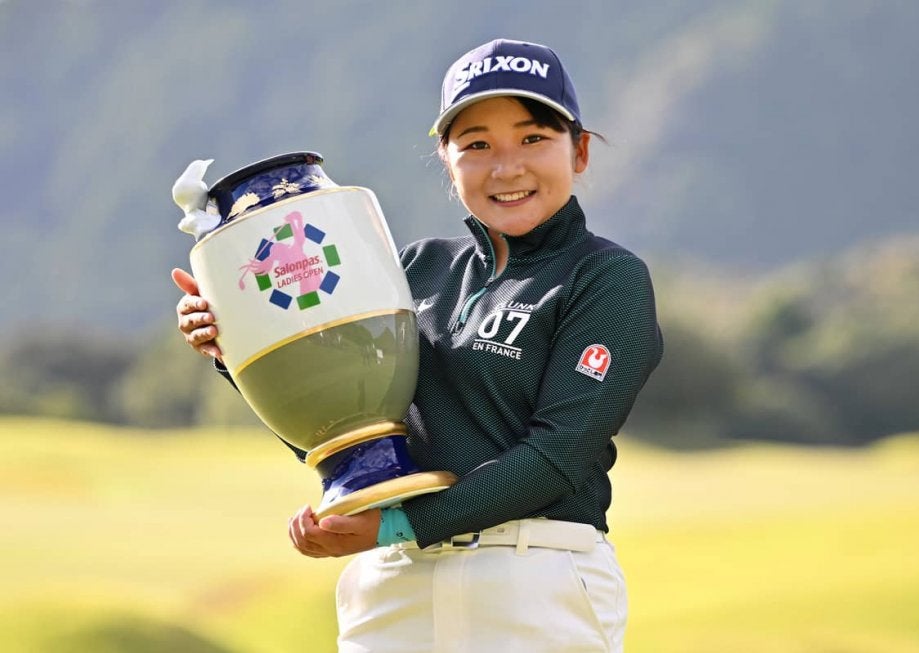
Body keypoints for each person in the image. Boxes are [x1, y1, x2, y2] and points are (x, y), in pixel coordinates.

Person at [173, 38, 663, 653]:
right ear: (446, 158)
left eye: (533, 139)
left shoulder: (604, 277)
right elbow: (341, 431)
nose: (506, 167)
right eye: (477, 144)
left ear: (580, 150)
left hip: (535, 580)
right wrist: (234, 352)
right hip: (393, 584)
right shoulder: (414, 269)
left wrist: (397, 524)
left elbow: (559, 454)